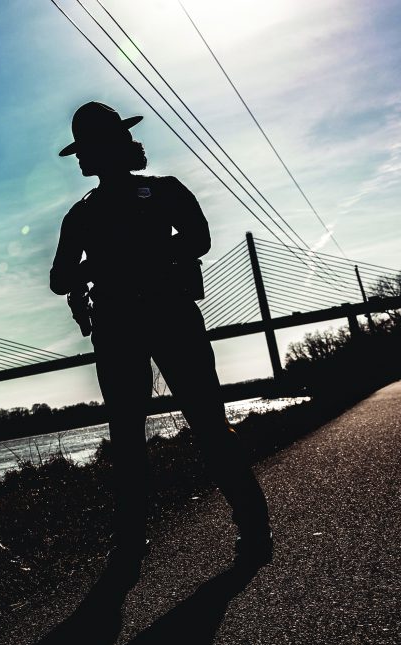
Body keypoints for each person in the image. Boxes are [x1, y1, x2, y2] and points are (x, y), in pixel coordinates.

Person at [49, 101, 273, 583]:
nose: (82, 158)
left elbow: (198, 239)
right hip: (147, 323)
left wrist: (111, 262)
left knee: (170, 430)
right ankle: (241, 528)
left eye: (85, 149)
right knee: (173, 430)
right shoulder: (94, 211)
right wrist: (98, 267)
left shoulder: (106, 207)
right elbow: (60, 278)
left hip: (148, 322)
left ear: (106, 149)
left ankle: (145, 541)